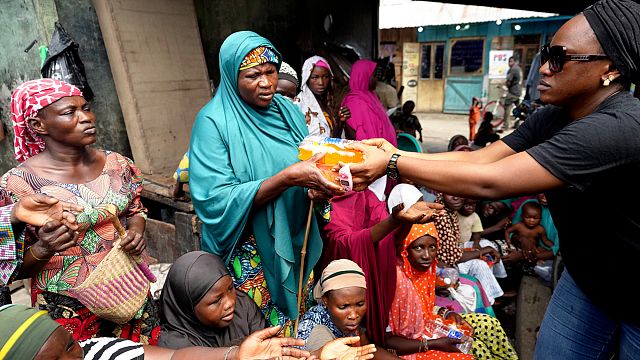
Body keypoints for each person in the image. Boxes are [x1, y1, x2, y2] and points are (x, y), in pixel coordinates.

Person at [346, 1, 640, 357]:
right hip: (588, 280)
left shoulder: (620, 127)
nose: (543, 68)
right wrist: (397, 154)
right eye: (546, 54)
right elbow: (480, 159)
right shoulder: (554, 116)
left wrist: (392, 162)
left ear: (608, 69)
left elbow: (491, 181)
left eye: (560, 58)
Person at [188, 31, 344, 336]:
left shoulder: (286, 111)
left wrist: (317, 186)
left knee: (297, 324)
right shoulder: (213, 122)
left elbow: (306, 159)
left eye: (271, 72)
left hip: (295, 236)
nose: (266, 83)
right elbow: (214, 199)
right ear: (232, 76)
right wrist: (287, 179)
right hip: (251, 253)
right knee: (259, 331)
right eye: (253, 75)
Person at [2, 78, 159, 343]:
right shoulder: (16, 186)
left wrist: (136, 231)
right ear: (38, 125)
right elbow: (9, 268)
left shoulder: (117, 164)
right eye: (69, 112)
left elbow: (135, 209)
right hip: (68, 308)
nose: (86, 118)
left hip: (128, 291)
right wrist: (43, 249)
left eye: (86, 108)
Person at [322, 179, 441, 345]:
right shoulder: (336, 199)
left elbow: (388, 242)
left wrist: (402, 223)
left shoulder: (371, 197)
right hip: (345, 285)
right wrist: (394, 221)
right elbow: (343, 243)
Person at [386, 223, 518, 360]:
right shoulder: (395, 280)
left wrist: (447, 313)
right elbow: (387, 338)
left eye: (432, 247)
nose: (427, 256)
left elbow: (424, 309)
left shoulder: (426, 271)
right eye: (418, 248)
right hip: (410, 344)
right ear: (404, 249)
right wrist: (432, 344)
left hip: (429, 325)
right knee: (475, 349)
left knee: (489, 325)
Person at [0, 303, 315, 360]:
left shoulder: (98, 352)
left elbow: (176, 357)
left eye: (69, 346)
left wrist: (234, 355)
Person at [158, 251, 266, 349]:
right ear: (188, 308)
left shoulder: (242, 304)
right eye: (216, 301)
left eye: (230, 288)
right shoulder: (174, 347)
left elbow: (269, 345)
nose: (230, 302)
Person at [296, 259, 379, 359]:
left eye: (360, 304)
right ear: (325, 300)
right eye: (343, 307)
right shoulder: (316, 329)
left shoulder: (344, 320)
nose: (354, 315)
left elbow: (368, 348)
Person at [435, 194, 504, 304]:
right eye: (449, 193)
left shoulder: (450, 211)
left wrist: (481, 248)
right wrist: (481, 251)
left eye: (458, 193)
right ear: (440, 192)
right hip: (443, 266)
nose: (456, 197)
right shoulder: (441, 216)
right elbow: (453, 257)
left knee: (486, 250)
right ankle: (487, 302)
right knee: (480, 264)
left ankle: (489, 295)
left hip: (453, 257)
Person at [343, 59, 397, 146]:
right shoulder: (354, 102)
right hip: (371, 154)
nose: (376, 78)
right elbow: (357, 135)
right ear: (364, 76)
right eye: (374, 75)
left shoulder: (371, 96)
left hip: (384, 152)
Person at [295, 56, 351, 137]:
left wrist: (340, 122)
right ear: (306, 78)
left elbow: (333, 138)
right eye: (315, 77)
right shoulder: (299, 105)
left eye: (325, 77)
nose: (321, 82)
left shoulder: (329, 103)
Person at [502, 57, 522, 130]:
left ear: (515, 62)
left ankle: (505, 125)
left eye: (511, 61)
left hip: (513, 92)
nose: (509, 63)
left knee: (507, 107)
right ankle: (517, 124)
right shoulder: (519, 69)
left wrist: (506, 86)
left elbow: (509, 81)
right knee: (518, 108)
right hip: (518, 91)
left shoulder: (513, 69)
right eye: (509, 61)